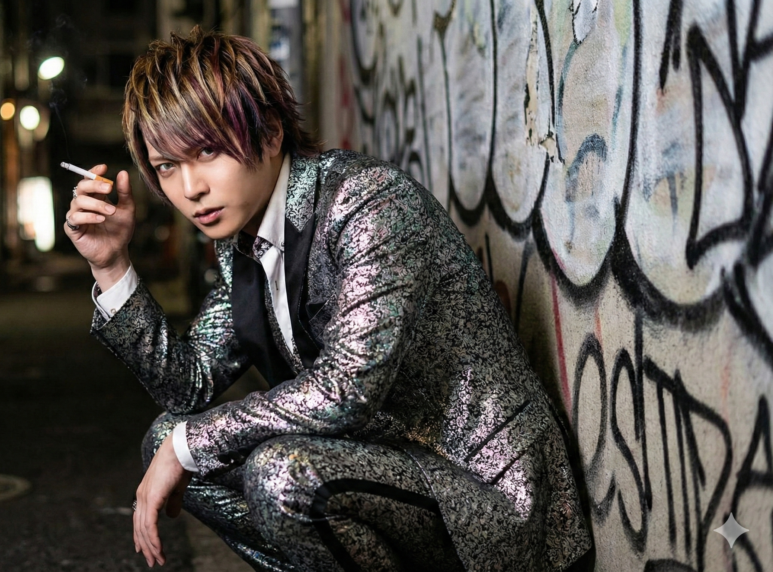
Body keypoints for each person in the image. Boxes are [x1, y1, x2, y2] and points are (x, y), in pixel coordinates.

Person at [64, 26, 592, 572]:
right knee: (167, 439)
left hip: (487, 494)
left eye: (208, 150)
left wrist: (189, 443)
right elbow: (188, 385)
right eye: (167, 166)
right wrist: (111, 266)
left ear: (270, 132)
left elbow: (347, 389)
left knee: (276, 472)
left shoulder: (366, 202)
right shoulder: (243, 243)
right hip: (387, 471)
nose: (190, 187)